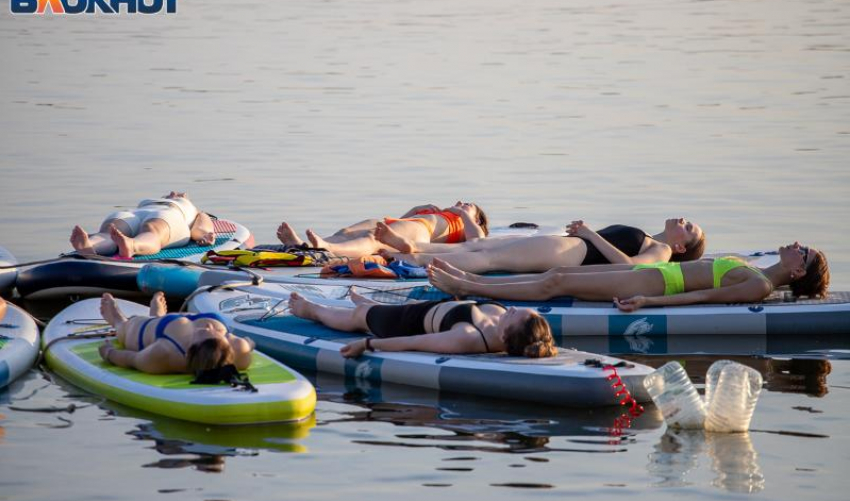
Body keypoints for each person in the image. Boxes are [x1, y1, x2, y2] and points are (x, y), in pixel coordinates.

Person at [427, 243, 829, 311]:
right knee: (559, 271)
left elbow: (704, 298)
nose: (797, 244)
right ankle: (468, 278)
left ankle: (466, 286)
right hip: (654, 271)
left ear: (797, 271)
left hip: (654, 285)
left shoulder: (759, 285)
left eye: (804, 251)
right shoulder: (756, 269)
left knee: (556, 284)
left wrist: (649, 302)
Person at [287, 290, 557, 358]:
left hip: (406, 322)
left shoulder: (467, 338)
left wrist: (367, 343)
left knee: (360, 316)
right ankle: (368, 303)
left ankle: (311, 309)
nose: (509, 308)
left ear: (508, 335)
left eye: (513, 314)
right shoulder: (510, 327)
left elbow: (412, 341)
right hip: (438, 308)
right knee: (369, 306)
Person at [381, 218, 705, 274]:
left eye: (688, 228)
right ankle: (409, 249)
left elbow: (629, 268)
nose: (683, 219)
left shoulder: (660, 251)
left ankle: (409, 260)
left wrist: (592, 235)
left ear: (679, 247)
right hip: (568, 246)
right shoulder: (650, 238)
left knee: (487, 261)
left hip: (573, 254)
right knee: (480, 249)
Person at [97, 292, 254, 376]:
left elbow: (132, 359)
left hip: (159, 331)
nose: (208, 326)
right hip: (177, 326)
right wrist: (248, 344)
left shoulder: (164, 355)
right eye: (218, 335)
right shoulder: (239, 350)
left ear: (189, 351)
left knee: (127, 329)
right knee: (183, 324)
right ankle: (158, 314)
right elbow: (250, 343)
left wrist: (108, 353)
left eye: (205, 332)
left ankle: (117, 319)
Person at [276, 201, 490, 257]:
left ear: (477, 218)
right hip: (410, 223)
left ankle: (327, 248)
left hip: (421, 231)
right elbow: (402, 222)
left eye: (468, 204)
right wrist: (416, 209)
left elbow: (478, 240)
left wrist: (463, 214)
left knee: (373, 239)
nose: (461, 203)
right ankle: (305, 246)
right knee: (349, 232)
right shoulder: (444, 213)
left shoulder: (466, 225)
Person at [70, 192, 216, 258]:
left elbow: (201, 227)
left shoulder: (192, 208)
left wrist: (205, 235)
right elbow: (201, 228)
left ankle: (93, 243)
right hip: (159, 214)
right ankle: (130, 246)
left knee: (110, 233)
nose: (173, 192)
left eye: (179, 193)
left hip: (136, 214)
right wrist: (205, 234)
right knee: (152, 232)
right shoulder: (188, 207)